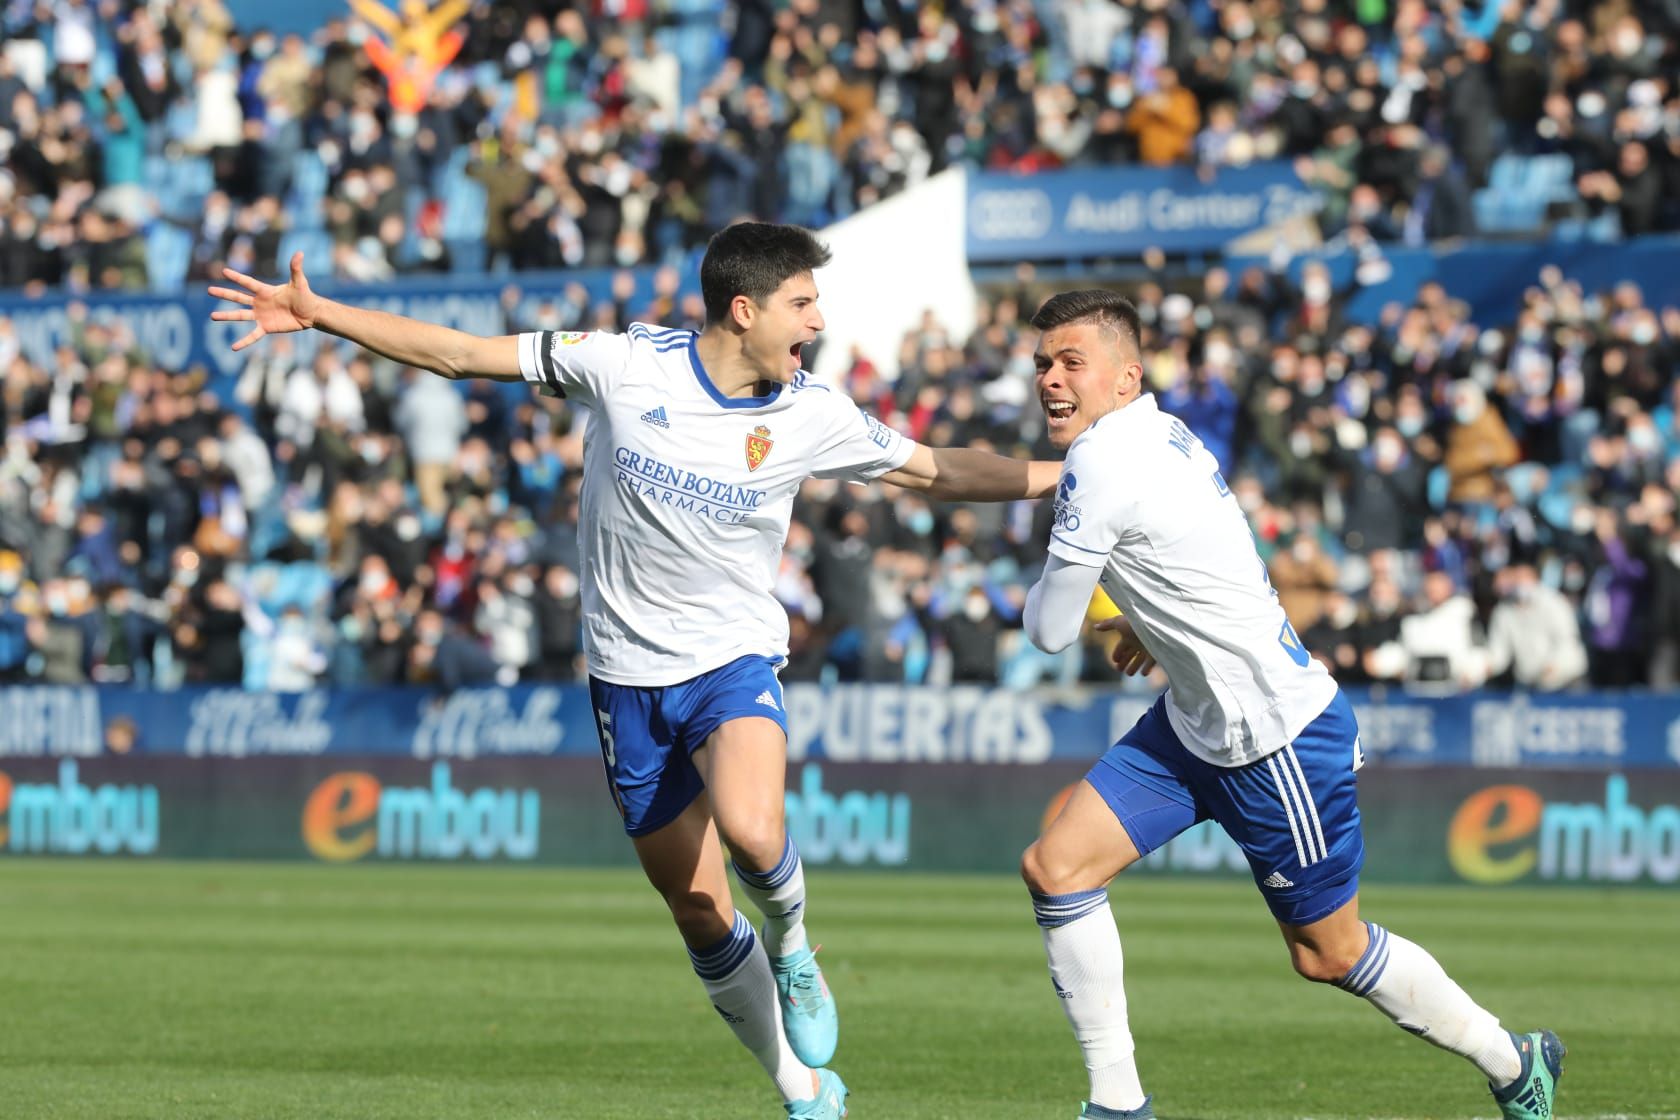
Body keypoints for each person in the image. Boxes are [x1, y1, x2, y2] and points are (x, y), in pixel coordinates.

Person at [210, 224, 1059, 1119]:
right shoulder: (621, 364)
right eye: (802, 303)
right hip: (624, 678)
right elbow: (460, 354)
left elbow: (940, 472)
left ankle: (796, 942)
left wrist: (1067, 471)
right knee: (696, 913)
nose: (818, 321)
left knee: (755, 833)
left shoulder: (812, 411)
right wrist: (321, 315)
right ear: (746, 309)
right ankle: (801, 1089)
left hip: (731, 658)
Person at [1014, 290, 1563, 1120]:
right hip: (1196, 724)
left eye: (1070, 362)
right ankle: (1118, 1105)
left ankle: (1514, 1061)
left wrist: (1098, 610)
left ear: (1125, 377)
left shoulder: (1105, 460)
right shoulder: (1160, 431)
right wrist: (1147, 624)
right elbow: (1200, 569)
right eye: (1042, 364)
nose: (1050, 380)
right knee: (1056, 869)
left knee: (1328, 955)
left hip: (1274, 737)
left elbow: (1051, 630)